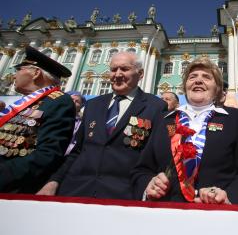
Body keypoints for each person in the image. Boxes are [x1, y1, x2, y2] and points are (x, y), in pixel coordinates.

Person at [37, 51, 168, 200]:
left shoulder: (156, 107)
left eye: (124, 69)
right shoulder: (93, 104)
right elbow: (77, 150)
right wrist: (54, 181)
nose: (117, 74)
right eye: (113, 69)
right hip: (75, 189)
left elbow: (155, 157)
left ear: (141, 74)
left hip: (123, 195)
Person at [132, 57, 238, 204]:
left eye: (206, 77)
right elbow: (141, 170)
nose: (198, 80)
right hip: (166, 211)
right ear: (185, 86)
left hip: (216, 214)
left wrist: (228, 196)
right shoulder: (163, 120)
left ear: (217, 88)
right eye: (192, 77)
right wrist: (149, 184)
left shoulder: (235, 119)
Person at [0, 46, 75, 193]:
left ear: (35, 73)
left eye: (19, 69)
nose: (14, 76)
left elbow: (47, 155)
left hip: (13, 189)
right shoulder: (24, 103)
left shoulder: (59, 101)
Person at [64, 91, 86, 155]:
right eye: (71, 99)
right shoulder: (54, 115)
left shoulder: (82, 122)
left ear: (81, 105)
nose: (73, 102)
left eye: (77, 101)